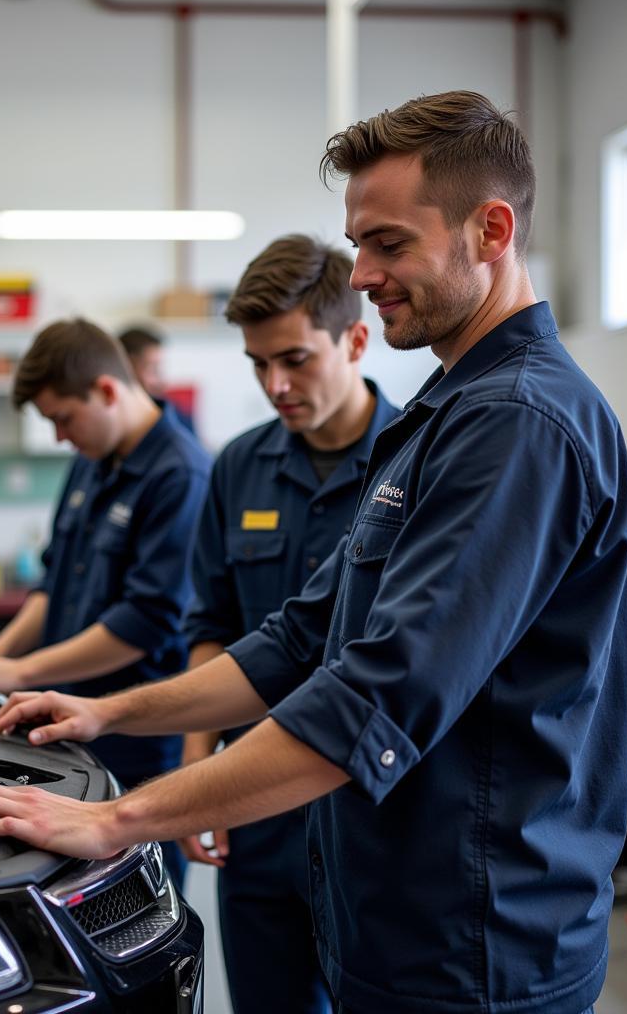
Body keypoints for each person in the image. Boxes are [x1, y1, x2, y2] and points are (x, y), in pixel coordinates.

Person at [0, 91, 627, 1014]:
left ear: (491, 229)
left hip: (477, 943)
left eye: (389, 243)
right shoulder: (447, 416)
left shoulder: (517, 423)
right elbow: (298, 639)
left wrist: (118, 821)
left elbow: (378, 696)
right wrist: (108, 715)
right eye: (359, 246)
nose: (367, 273)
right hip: (393, 917)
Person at [179, 234, 399, 1014]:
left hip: (373, 820)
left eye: (296, 359)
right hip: (256, 812)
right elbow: (212, 621)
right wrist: (199, 771)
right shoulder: (237, 466)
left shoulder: (419, 463)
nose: (276, 384)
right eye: (258, 364)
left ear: (357, 338)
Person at [0, 318, 212, 889]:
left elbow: (144, 621)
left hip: (136, 738)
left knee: (136, 897)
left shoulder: (182, 475)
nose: (58, 437)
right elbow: (54, 579)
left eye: (62, 419)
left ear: (105, 390)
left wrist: (22, 669)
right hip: (68, 720)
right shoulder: (92, 460)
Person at [118, 323, 196, 432]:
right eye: (153, 369)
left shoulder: (175, 417)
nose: (162, 382)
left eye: (159, 369)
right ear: (127, 368)